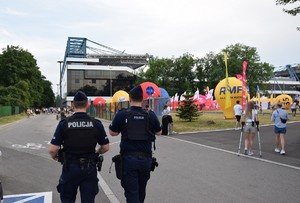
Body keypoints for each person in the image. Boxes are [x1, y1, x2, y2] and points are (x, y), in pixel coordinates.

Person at [48, 91, 110, 203]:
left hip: (70, 167)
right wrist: (97, 152)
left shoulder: (64, 123)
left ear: (73, 105)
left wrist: (56, 157)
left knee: (67, 199)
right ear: (87, 105)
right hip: (89, 168)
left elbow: (52, 149)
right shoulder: (96, 124)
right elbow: (105, 147)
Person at [109, 85, 162, 203]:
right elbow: (159, 132)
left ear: (130, 99)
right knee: (141, 191)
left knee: (132, 192)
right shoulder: (150, 115)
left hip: (128, 160)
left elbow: (112, 133)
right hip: (146, 160)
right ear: (143, 98)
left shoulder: (122, 114)